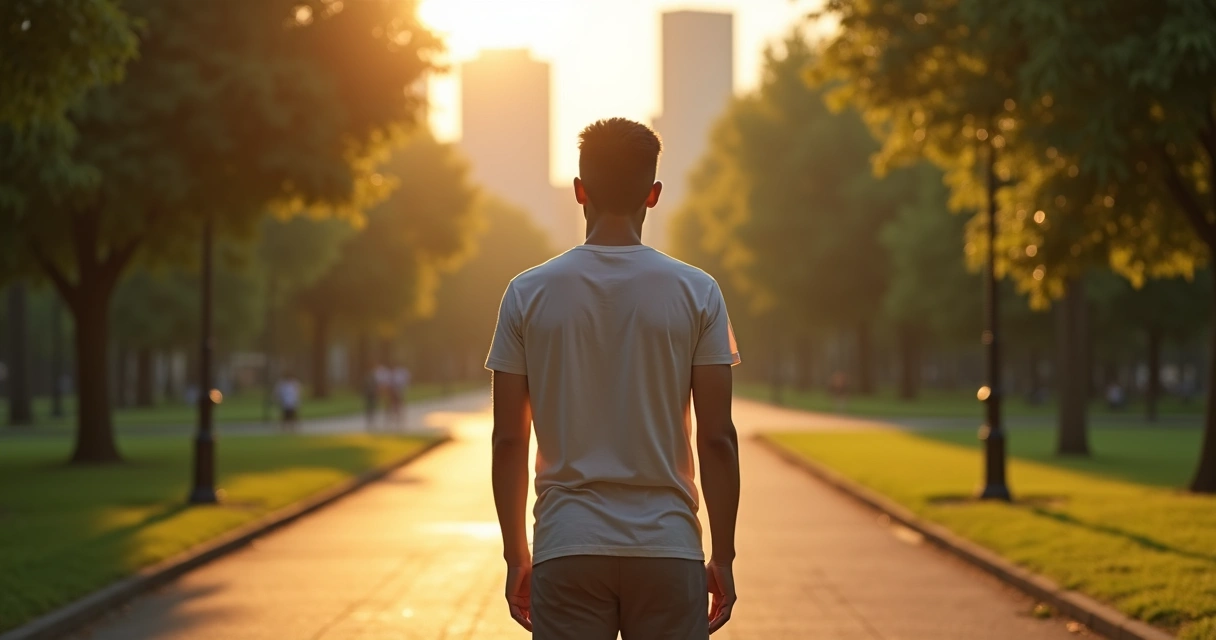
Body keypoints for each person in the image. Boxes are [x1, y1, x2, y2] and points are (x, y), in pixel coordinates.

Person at [486, 118, 742, 639]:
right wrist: (724, 555)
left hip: (568, 545)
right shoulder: (699, 293)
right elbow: (717, 438)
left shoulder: (526, 294)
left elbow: (510, 438)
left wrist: (517, 555)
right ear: (653, 194)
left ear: (580, 191)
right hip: (668, 548)